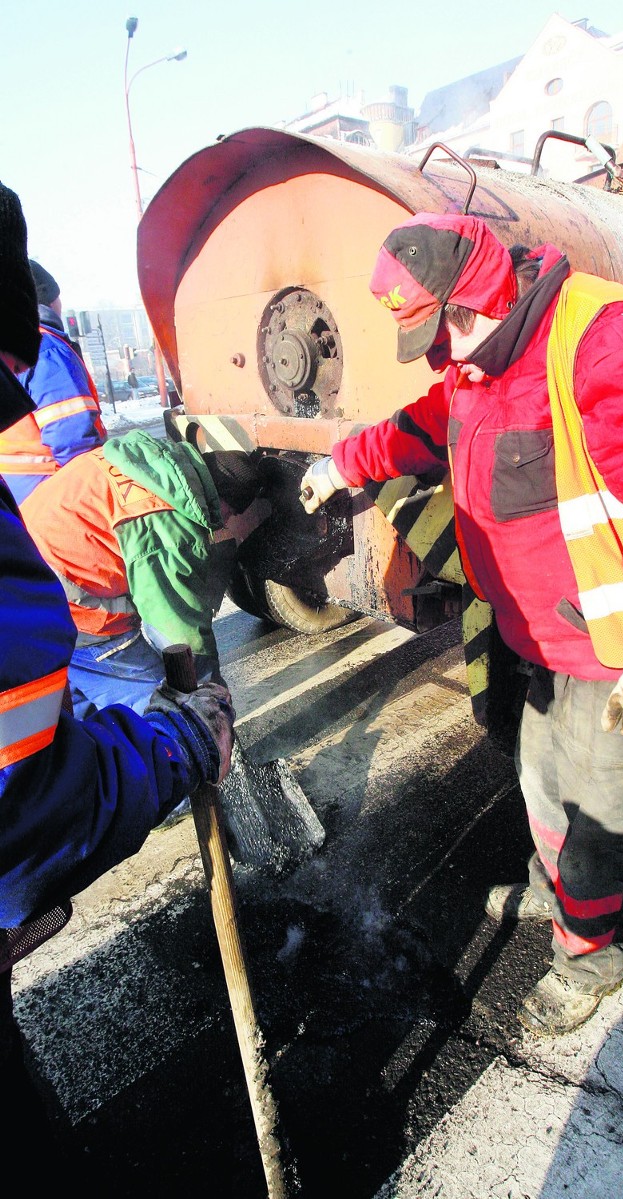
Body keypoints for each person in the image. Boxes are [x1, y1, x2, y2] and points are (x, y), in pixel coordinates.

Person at [300, 210, 623, 1038]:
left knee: (603, 810)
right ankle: (567, 895)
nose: (447, 350)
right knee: (541, 786)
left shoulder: (601, 339)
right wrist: (340, 463)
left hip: (608, 652)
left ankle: (591, 954)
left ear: (479, 290)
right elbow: (425, 427)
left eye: (453, 325)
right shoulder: (474, 359)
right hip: (535, 640)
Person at [0, 178, 235, 1154]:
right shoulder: (166, 500)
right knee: (137, 712)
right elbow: (27, 796)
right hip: (71, 610)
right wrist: (191, 723)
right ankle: (212, 819)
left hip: (60, 594)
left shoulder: (140, 469)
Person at [19, 427, 230, 720]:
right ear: (225, 504)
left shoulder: (149, 464)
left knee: (83, 720)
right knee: (166, 710)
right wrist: (211, 702)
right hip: (69, 610)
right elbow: (178, 630)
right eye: (231, 518)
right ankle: (186, 760)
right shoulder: (166, 527)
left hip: (24, 584)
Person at [0, 257, 106, 505]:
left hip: (18, 493)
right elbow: (73, 438)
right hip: (55, 492)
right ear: (49, 300)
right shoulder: (45, 348)